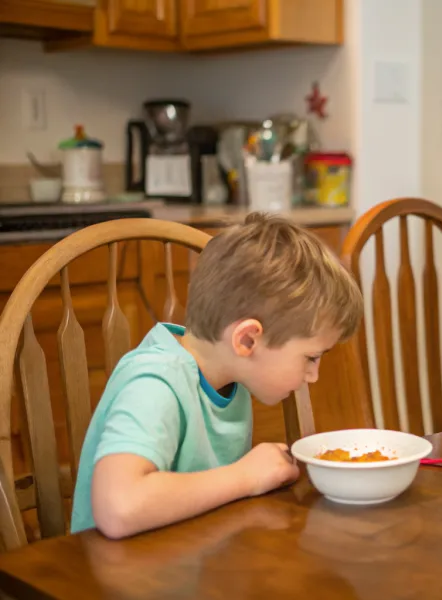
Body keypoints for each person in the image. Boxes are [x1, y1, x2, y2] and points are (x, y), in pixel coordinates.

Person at [70, 212, 364, 539]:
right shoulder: (156, 382)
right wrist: (244, 476)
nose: (313, 375)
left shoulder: (229, 377)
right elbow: (118, 508)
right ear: (247, 339)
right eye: (310, 358)